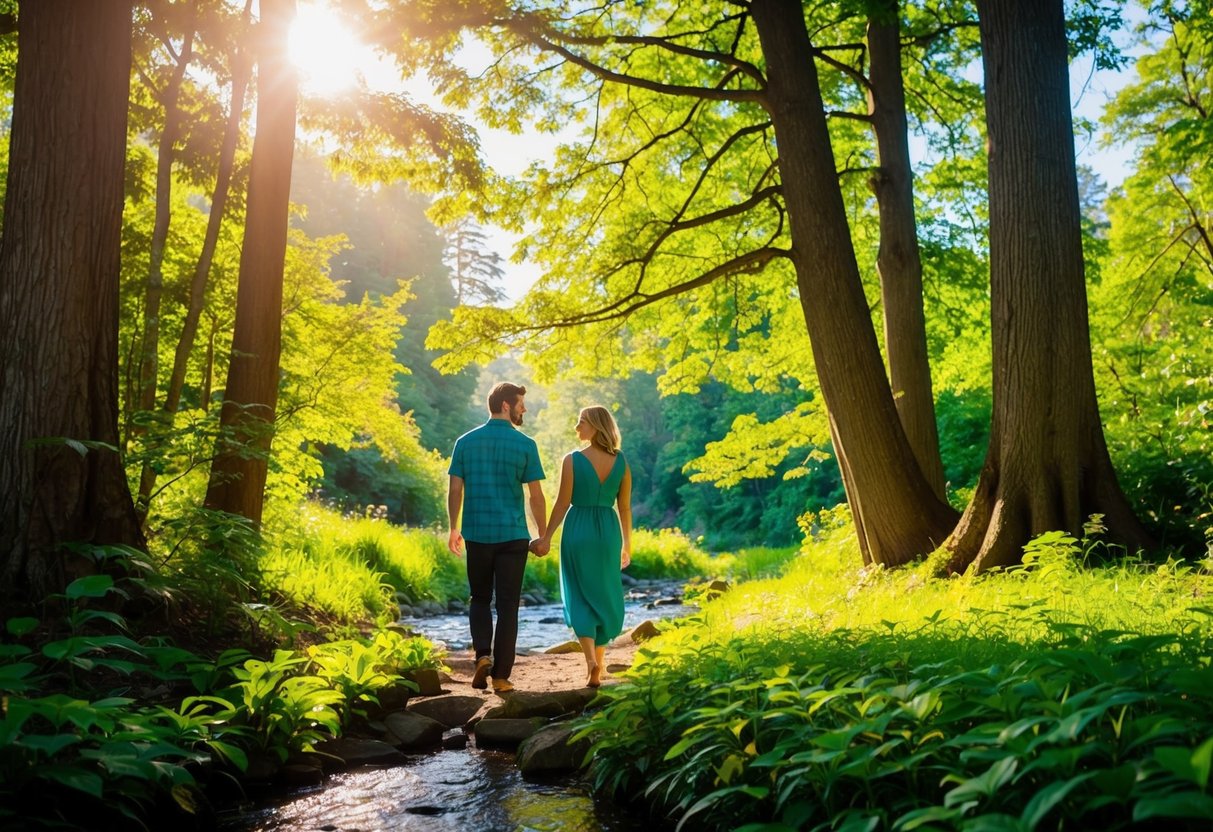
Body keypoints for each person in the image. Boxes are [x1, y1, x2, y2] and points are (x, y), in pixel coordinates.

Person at [447, 382, 547, 694]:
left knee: (479, 598)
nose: (524, 409)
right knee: (507, 606)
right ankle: (501, 676)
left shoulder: (465, 442)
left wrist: (453, 527)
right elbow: (535, 496)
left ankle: (482, 656)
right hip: (513, 536)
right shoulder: (526, 444)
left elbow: (455, 489)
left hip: (477, 533)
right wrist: (543, 534)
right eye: (520, 404)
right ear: (506, 405)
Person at [531, 406, 632, 688]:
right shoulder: (621, 461)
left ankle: (590, 663)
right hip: (609, 532)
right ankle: (599, 660)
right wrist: (627, 545)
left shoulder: (572, 460)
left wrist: (546, 537)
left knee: (578, 594)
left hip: (578, 530)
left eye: (581, 422)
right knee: (604, 593)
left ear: (596, 426)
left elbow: (563, 503)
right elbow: (625, 508)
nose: (577, 428)